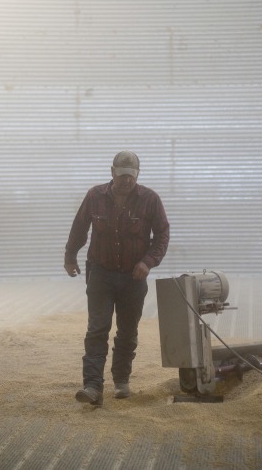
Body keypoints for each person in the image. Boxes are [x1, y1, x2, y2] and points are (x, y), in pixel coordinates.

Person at [64, 151, 170, 406]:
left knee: (127, 331)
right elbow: (79, 229)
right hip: (100, 273)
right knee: (97, 329)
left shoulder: (150, 200)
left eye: (131, 176)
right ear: (112, 172)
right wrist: (70, 257)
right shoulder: (94, 196)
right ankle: (92, 386)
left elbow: (163, 235)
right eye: (122, 175)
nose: (127, 181)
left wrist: (148, 262)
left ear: (138, 175)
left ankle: (121, 380)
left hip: (134, 277)